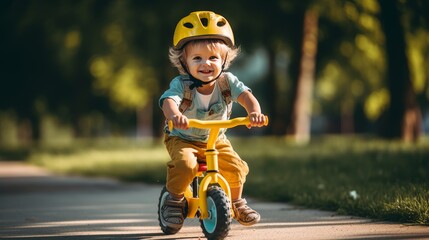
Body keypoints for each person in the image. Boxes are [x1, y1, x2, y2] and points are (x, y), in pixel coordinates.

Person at [159, 11, 266, 230]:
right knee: (186, 165)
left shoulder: (227, 83)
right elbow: (168, 101)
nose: (205, 63)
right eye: (197, 58)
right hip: (182, 138)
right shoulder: (181, 85)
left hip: (216, 139)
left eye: (213, 58)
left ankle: (236, 203)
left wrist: (254, 111)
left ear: (225, 59)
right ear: (183, 61)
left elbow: (246, 96)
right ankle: (174, 200)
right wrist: (175, 116)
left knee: (236, 167)